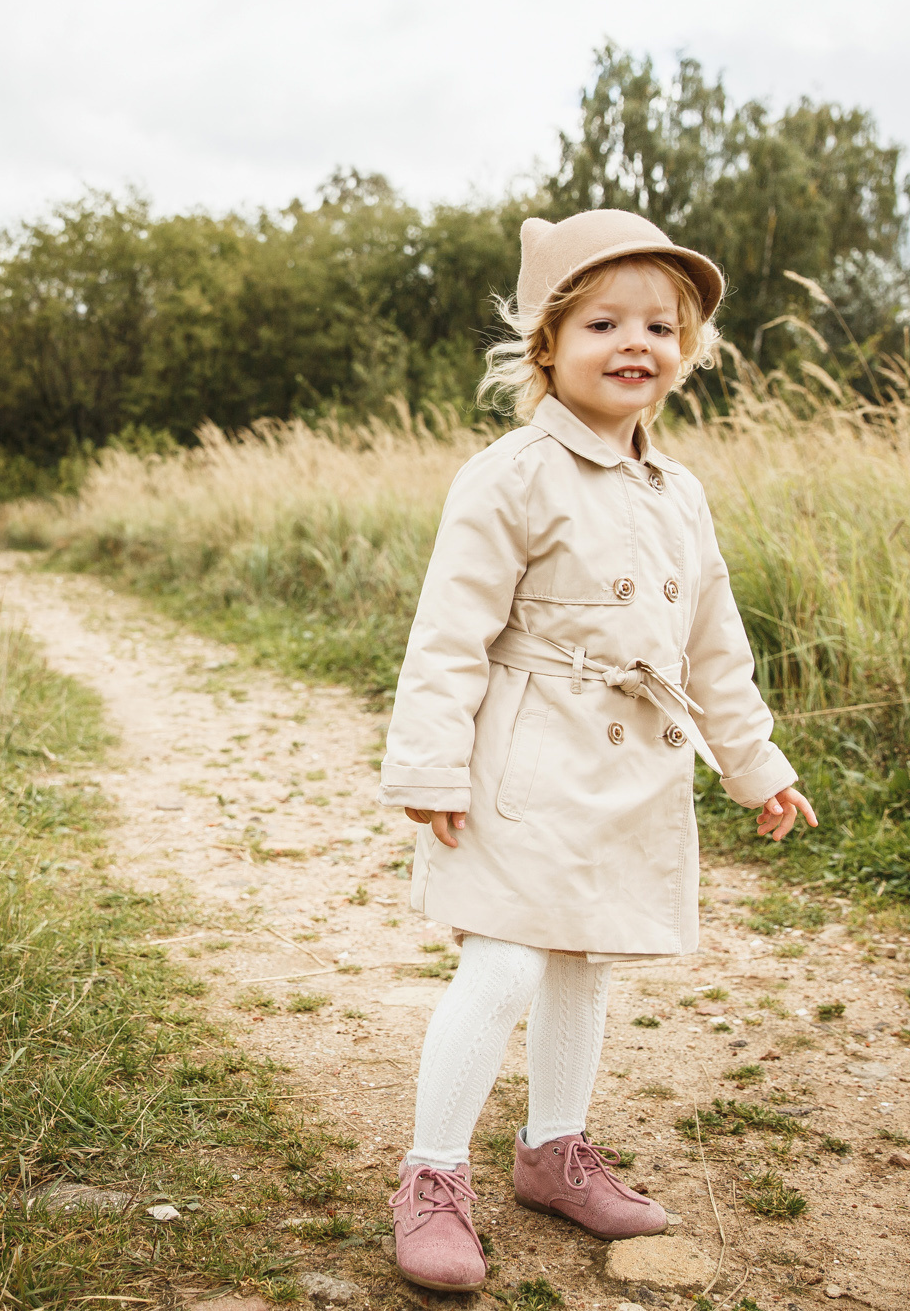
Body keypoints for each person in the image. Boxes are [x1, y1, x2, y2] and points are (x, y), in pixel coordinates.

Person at [376, 209, 817, 1292]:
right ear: (547, 344)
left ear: (687, 348)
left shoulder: (681, 493)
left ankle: (553, 1149)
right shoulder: (510, 472)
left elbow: (715, 646)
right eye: (604, 322)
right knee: (509, 955)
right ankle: (433, 1174)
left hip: (630, 764)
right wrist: (431, 765)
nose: (636, 342)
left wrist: (757, 763)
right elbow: (449, 632)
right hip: (523, 757)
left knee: (587, 952)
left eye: (659, 324)